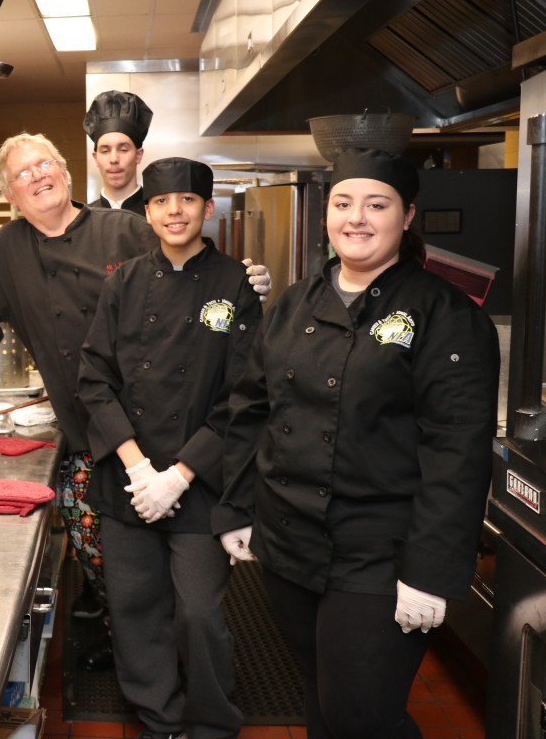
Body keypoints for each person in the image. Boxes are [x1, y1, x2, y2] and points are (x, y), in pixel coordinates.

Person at [0, 132, 271, 672]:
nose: (37, 176)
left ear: (68, 172)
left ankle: (180, 670)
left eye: (45, 163)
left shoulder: (125, 229)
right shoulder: (4, 249)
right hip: (85, 427)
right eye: (22, 174)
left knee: (185, 586)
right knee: (118, 574)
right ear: (8, 194)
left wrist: (244, 282)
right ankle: (133, 655)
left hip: (162, 424)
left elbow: (187, 266)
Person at [214, 148, 500, 739]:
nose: (358, 218)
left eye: (378, 204)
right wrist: (236, 509)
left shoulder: (444, 314)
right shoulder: (294, 302)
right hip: (289, 542)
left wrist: (430, 569)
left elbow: (457, 450)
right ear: (327, 215)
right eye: (344, 204)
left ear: (407, 215)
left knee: (361, 714)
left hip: (380, 552)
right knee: (321, 696)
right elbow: (249, 409)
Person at [78, 158, 259, 739]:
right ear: (147, 210)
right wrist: (139, 470)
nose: (174, 211)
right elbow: (94, 380)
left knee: (200, 612)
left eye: (187, 200)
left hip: (201, 483)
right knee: (133, 610)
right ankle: (158, 718)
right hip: (129, 480)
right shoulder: (124, 281)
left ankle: (210, 721)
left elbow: (244, 396)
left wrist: (178, 475)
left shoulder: (236, 285)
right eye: (161, 202)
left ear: (208, 209)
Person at [83, 90, 152, 216]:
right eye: (105, 151)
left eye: (123, 149)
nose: (113, 159)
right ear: (96, 158)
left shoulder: (157, 216)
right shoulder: (82, 220)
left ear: (138, 155)